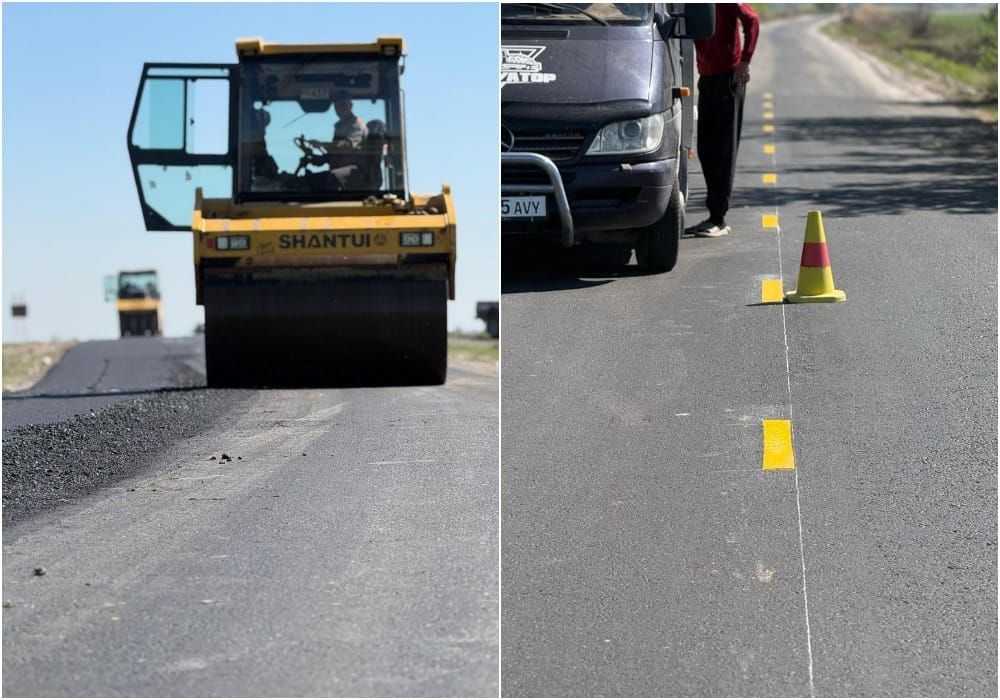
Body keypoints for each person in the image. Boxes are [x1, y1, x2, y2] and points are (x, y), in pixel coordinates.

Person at [686, 3, 759, 238]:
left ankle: (718, 218)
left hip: (729, 78)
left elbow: (753, 20)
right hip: (706, 78)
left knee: (723, 151)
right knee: (706, 150)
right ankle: (712, 215)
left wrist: (745, 61)